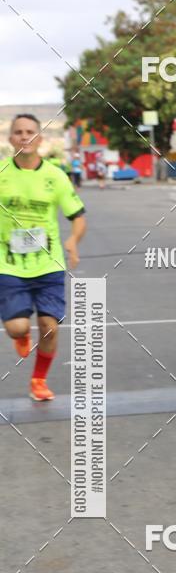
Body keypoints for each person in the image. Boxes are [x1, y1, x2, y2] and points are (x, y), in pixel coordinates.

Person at [0, 113, 86, 400]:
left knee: (50, 327)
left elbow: (78, 216)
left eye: (30, 132)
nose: (25, 136)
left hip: (49, 264)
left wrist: (73, 240)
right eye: (19, 132)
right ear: (11, 139)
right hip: (8, 265)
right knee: (17, 328)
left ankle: (39, 380)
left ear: (40, 139)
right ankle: (21, 333)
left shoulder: (55, 176)